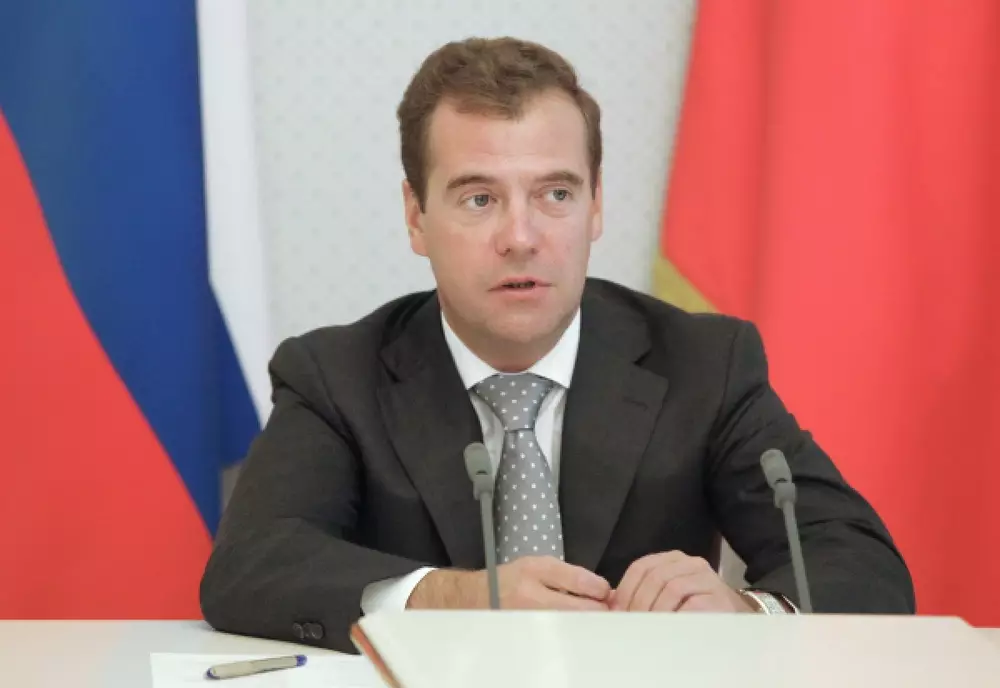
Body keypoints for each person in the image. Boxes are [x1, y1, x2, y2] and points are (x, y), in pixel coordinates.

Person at [200, 36, 914, 653]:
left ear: (595, 205)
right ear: (416, 216)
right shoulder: (337, 376)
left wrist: (746, 612)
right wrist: (449, 597)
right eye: (480, 198)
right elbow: (252, 566)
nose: (521, 237)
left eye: (556, 195)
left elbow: (860, 563)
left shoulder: (704, 363)